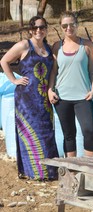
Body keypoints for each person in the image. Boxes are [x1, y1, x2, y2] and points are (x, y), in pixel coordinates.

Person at [0, 16, 59, 180]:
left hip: (43, 97)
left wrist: (50, 89)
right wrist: (14, 80)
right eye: (35, 28)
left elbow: (53, 72)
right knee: (31, 133)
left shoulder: (48, 48)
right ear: (30, 30)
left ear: (46, 28)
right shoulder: (24, 45)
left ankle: (49, 171)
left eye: (42, 27)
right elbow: (4, 61)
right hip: (26, 98)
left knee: (46, 131)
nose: (38, 30)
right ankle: (34, 172)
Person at [48, 11, 93, 157]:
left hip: (83, 97)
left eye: (72, 24)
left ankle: (90, 168)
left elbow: (92, 71)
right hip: (62, 98)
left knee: (89, 131)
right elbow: (53, 72)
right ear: (61, 27)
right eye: (64, 25)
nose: (68, 28)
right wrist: (50, 90)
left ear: (77, 25)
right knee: (68, 134)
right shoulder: (57, 46)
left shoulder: (87, 45)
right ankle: (72, 168)